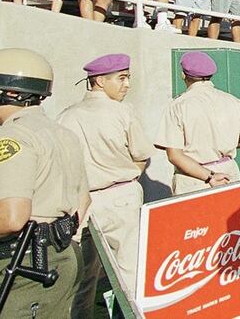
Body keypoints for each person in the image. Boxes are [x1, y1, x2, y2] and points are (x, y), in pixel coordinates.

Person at [0, 48, 89, 317]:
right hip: (61, 256)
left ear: (9, 93)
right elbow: (82, 203)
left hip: (25, 267)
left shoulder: (12, 139)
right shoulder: (61, 133)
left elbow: (11, 218)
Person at [58, 54, 152, 308]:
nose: (127, 84)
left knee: (82, 276)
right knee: (131, 274)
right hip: (120, 197)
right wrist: (125, 178)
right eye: (121, 78)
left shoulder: (66, 116)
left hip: (81, 202)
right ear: (100, 81)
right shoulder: (122, 112)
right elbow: (142, 155)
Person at [154, 51, 240, 195]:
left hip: (194, 178)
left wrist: (209, 176)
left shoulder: (178, 105)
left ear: (183, 75)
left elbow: (174, 155)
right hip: (228, 172)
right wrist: (223, 145)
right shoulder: (232, 101)